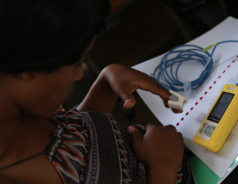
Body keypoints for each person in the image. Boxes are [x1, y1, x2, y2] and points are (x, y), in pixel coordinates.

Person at [0, 0, 195, 183]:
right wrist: (163, 168)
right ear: (27, 70)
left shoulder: (26, 112)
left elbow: (77, 148)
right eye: (77, 63)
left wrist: (105, 84)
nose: (79, 75)